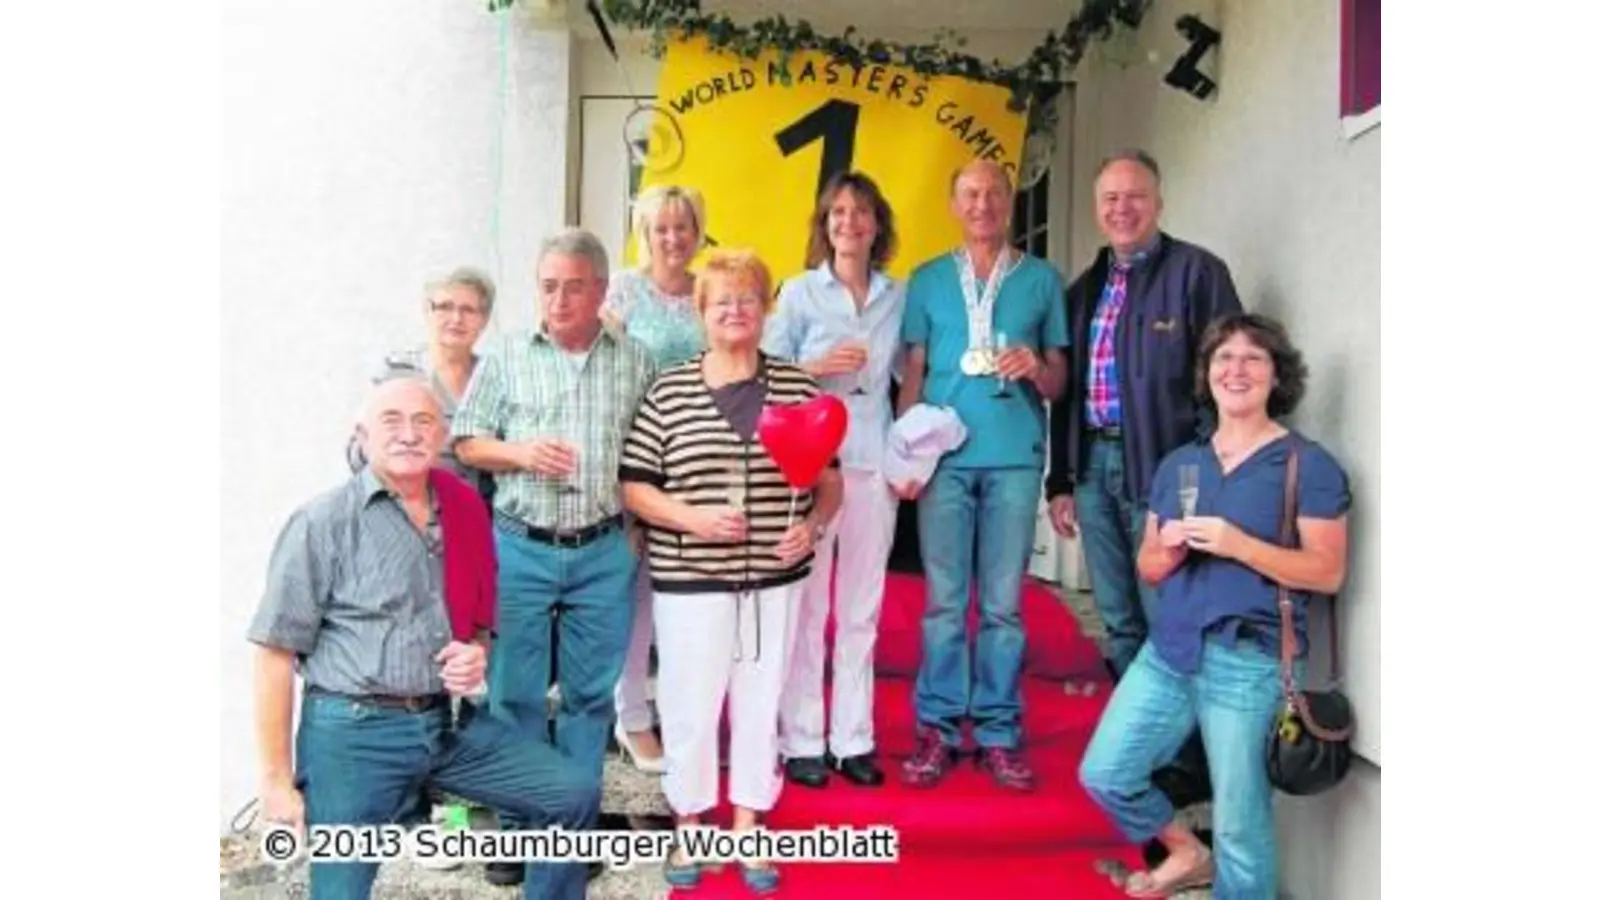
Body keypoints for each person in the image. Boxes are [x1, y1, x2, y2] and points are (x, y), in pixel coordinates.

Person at [246, 376, 598, 900]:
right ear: (361, 435)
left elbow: (479, 619)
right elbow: (274, 653)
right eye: (392, 421)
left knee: (570, 794)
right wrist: (276, 780)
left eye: (423, 421)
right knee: (341, 887)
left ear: (442, 435)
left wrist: (477, 653)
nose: (408, 433)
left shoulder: (462, 508)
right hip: (353, 735)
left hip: (444, 724)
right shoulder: (322, 523)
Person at [1077, 313, 1350, 898]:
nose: (1236, 369)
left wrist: (1239, 545)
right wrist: (1168, 552)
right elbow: (1147, 564)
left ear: (1277, 377)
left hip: (1250, 665)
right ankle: (1185, 852)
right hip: (1170, 652)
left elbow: (1327, 571)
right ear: (1207, 375)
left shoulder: (1306, 464)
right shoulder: (1182, 464)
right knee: (1105, 772)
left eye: (1254, 358)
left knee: (1242, 830)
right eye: (1223, 358)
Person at [620, 249, 844, 894]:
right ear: (701, 312)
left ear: (766, 307)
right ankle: (691, 818)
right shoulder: (669, 390)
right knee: (689, 703)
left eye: (747, 297)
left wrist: (814, 526)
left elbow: (828, 484)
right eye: (722, 300)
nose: (735, 310)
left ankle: (748, 818)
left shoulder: (797, 387)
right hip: (691, 577)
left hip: (774, 580)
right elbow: (635, 487)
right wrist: (693, 519)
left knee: (760, 699)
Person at [451, 228, 657, 890]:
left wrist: (635, 530)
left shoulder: (636, 360)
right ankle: (516, 836)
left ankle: (567, 837)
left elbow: (649, 454)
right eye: (547, 286)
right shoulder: (508, 355)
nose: (558, 299)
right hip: (520, 548)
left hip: (602, 550)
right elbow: (467, 442)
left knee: (588, 704)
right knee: (513, 698)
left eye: (573, 286)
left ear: (600, 290)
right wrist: (522, 452)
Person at [893, 159, 1069, 792]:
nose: (983, 203)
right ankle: (937, 728)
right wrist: (902, 450)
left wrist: (1035, 369)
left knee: (1001, 607)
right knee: (943, 604)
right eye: (970, 193)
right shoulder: (928, 280)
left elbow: (1058, 381)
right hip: (944, 461)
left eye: (994, 192)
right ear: (953, 203)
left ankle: (997, 730)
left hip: (1015, 456)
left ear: (1009, 201)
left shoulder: (1043, 280)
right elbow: (913, 371)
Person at [1044, 149, 1243, 682]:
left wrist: (1205, 462)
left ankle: (1183, 756)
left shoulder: (1197, 273)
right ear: (1096, 208)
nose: (1122, 208)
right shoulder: (1083, 290)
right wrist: (1060, 481)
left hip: (1167, 467)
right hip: (1093, 469)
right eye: (1110, 198)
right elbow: (1066, 393)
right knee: (1120, 618)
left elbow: (1231, 371)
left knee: (1170, 609)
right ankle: (1140, 741)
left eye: (1135, 196)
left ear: (1159, 202)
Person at [764, 171, 904, 789]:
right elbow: (763, 376)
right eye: (838, 212)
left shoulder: (898, 296)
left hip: (872, 460)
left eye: (861, 212)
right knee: (809, 603)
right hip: (812, 466)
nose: (849, 222)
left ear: (878, 224)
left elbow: (915, 368)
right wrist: (815, 367)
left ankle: (854, 738)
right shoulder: (798, 293)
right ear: (824, 224)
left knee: (861, 609)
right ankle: (801, 740)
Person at [602, 184, 709, 774]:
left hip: (695, 458)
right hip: (635, 455)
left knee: (685, 594)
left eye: (683, 226)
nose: (673, 238)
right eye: (661, 227)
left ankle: (677, 710)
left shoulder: (707, 290)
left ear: (698, 231)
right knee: (635, 591)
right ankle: (631, 716)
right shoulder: (621, 290)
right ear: (646, 232)